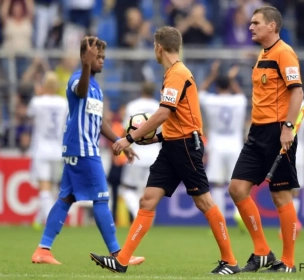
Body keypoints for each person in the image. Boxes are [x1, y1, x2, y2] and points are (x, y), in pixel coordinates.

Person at [90, 26, 240, 275]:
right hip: (172, 144)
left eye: (153, 47)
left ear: (159, 47)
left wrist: (131, 137)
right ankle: (122, 260)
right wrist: (157, 136)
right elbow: (177, 116)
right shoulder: (173, 73)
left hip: (185, 146)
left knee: (204, 201)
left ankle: (230, 261)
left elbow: (163, 112)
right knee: (147, 200)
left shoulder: (177, 74)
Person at [31, 36, 143, 266]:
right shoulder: (77, 80)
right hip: (82, 150)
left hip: (83, 149)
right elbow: (79, 92)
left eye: (103, 57)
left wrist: (121, 142)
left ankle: (43, 249)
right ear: (86, 57)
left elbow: (99, 121)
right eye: (97, 57)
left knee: (66, 198)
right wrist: (84, 64)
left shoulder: (96, 87)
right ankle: (118, 255)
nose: (101, 61)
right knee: (101, 199)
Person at [228, 6, 303, 273]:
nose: (251, 26)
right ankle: (262, 251)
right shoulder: (263, 54)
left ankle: (289, 262)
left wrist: (288, 127)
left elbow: (297, 93)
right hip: (257, 132)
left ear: (271, 26)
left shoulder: (284, 52)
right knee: (237, 188)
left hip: (277, 131)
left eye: (256, 22)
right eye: (250, 22)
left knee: (281, 195)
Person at [199, 60, 247, 230]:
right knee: (237, 183)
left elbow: (200, 92)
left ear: (217, 86)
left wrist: (212, 75)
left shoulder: (211, 100)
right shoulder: (239, 101)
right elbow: (240, 94)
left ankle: (220, 220)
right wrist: (231, 79)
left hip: (217, 146)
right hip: (235, 146)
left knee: (218, 184)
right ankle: (237, 212)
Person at [27, 72, 68, 230]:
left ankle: (52, 222)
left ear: (43, 85)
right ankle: (38, 219)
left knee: (44, 188)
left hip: (41, 150)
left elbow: (29, 115)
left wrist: (39, 94)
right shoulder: (63, 103)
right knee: (50, 188)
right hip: (57, 150)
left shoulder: (37, 102)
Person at [278, 98, 304, 239]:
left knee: (283, 190)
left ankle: (286, 226)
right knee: (295, 192)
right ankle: (291, 225)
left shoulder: (282, 102)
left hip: (282, 149)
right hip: (299, 152)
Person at [120, 82, 161, 219]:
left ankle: (137, 212)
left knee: (127, 189)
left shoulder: (133, 106)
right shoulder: (159, 107)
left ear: (141, 90)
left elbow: (124, 130)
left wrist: (124, 146)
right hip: (155, 154)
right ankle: (148, 219)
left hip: (137, 153)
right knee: (149, 191)